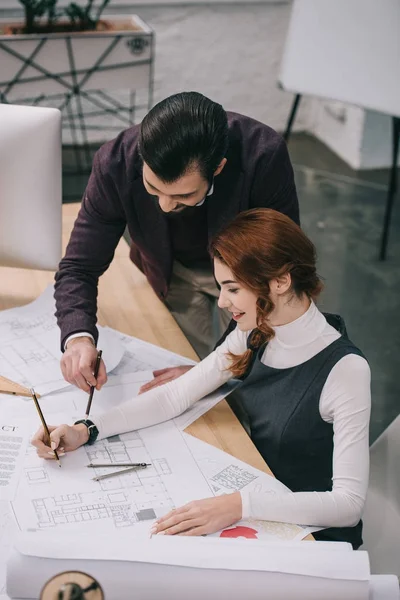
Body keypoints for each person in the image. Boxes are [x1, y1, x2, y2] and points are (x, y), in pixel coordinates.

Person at [34, 209, 370, 548]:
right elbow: (175, 396)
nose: (222, 302)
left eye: (232, 288)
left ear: (281, 282)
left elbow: (348, 505)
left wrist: (240, 504)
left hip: (309, 537)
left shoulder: (345, 371)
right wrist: (85, 430)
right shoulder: (256, 331)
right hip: (256, 494)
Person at [55, 91, 299, 393]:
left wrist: (212, 370)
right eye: (152, 188)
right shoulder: (115, 163)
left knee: (247, 377)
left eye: (183, 195)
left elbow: (277, 268)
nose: (166, 206)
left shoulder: (264, 157)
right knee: (181, 364)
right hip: (173, 270)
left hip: (250, 277)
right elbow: (79, 267)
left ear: (218, 168)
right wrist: (78, 337)